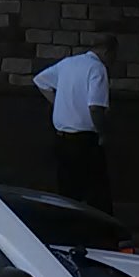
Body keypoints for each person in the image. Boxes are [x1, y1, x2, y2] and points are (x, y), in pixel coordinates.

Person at [32, 34, 116, 214]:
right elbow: (95, 107)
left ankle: (68, 224)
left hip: (61, 138)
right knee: (97, 192)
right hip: (85, 139)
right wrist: (103, 133)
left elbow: (40, 80)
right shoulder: (97, 68)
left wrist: (58, 103)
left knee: (68, 192)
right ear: (107, 51)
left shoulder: (67, 63)